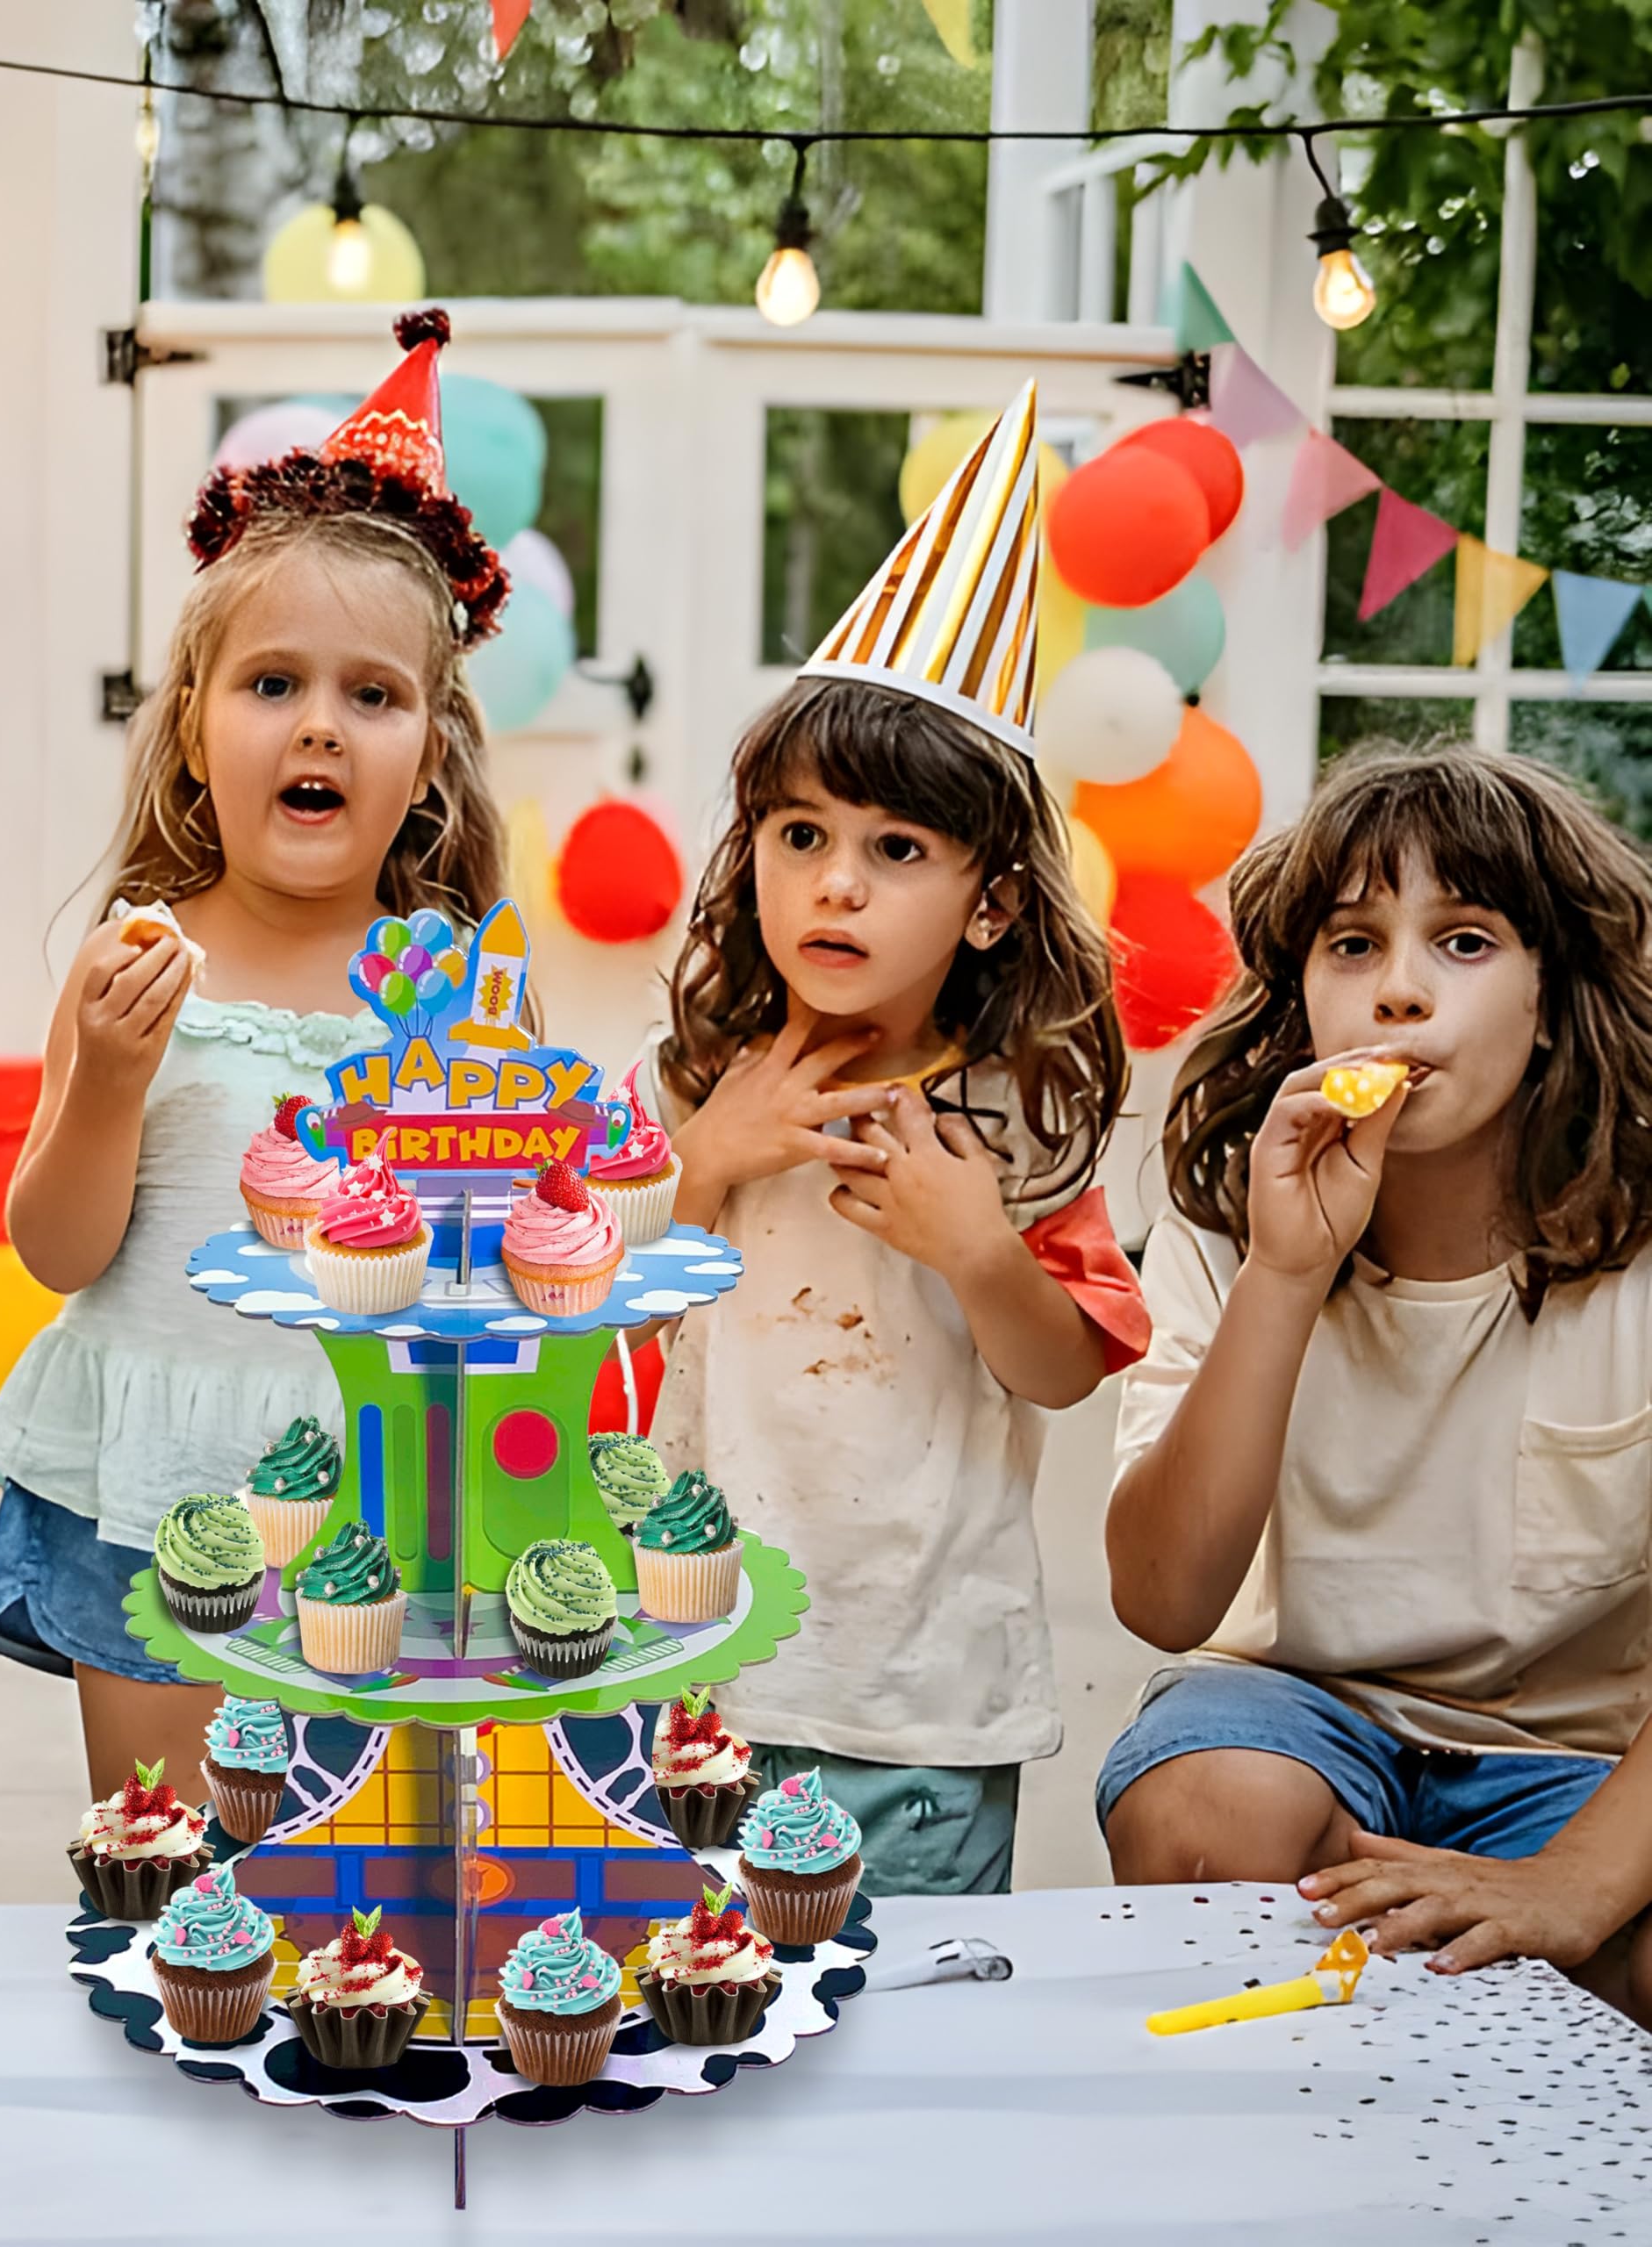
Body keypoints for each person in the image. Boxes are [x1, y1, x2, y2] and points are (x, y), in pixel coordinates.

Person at [0, 312, 514, 1800]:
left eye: (372, 695)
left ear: (431, 758)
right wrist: (108, 1080)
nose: (318, 726)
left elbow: (510, 1263)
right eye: (272, 685)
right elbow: (56, 1249)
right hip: (157, 1488)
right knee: (171, 1881)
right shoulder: (139, 964)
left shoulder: (462, 998)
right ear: (195, 731)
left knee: (360, 1875)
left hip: (385, 1496)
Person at [643, 384, 1147, 1896]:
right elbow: (593, 1321)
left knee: (894, 2043)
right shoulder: (698, 1083)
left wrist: (979, 1249)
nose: (835, 886)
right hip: (689, 1672)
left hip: (920, 1701)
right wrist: (709, 1165)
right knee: (687, 2019)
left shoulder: (1019, 1118)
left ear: (990, 899)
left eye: (895, 849)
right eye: (801, 835)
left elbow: (1061, 1368)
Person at [1101, 743, 1652, 2021]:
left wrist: (1571, 1884)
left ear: (1553, 996)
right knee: (1208, 1818)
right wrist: (1286, 1278)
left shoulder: (1635, 1253)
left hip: (1562, 1757)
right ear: (1302, 1000)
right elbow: (1164, 1599)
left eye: (1463, 942)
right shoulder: (1233, 1223)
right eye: (1354, 945)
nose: (1399, 991)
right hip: (1286, 1710)